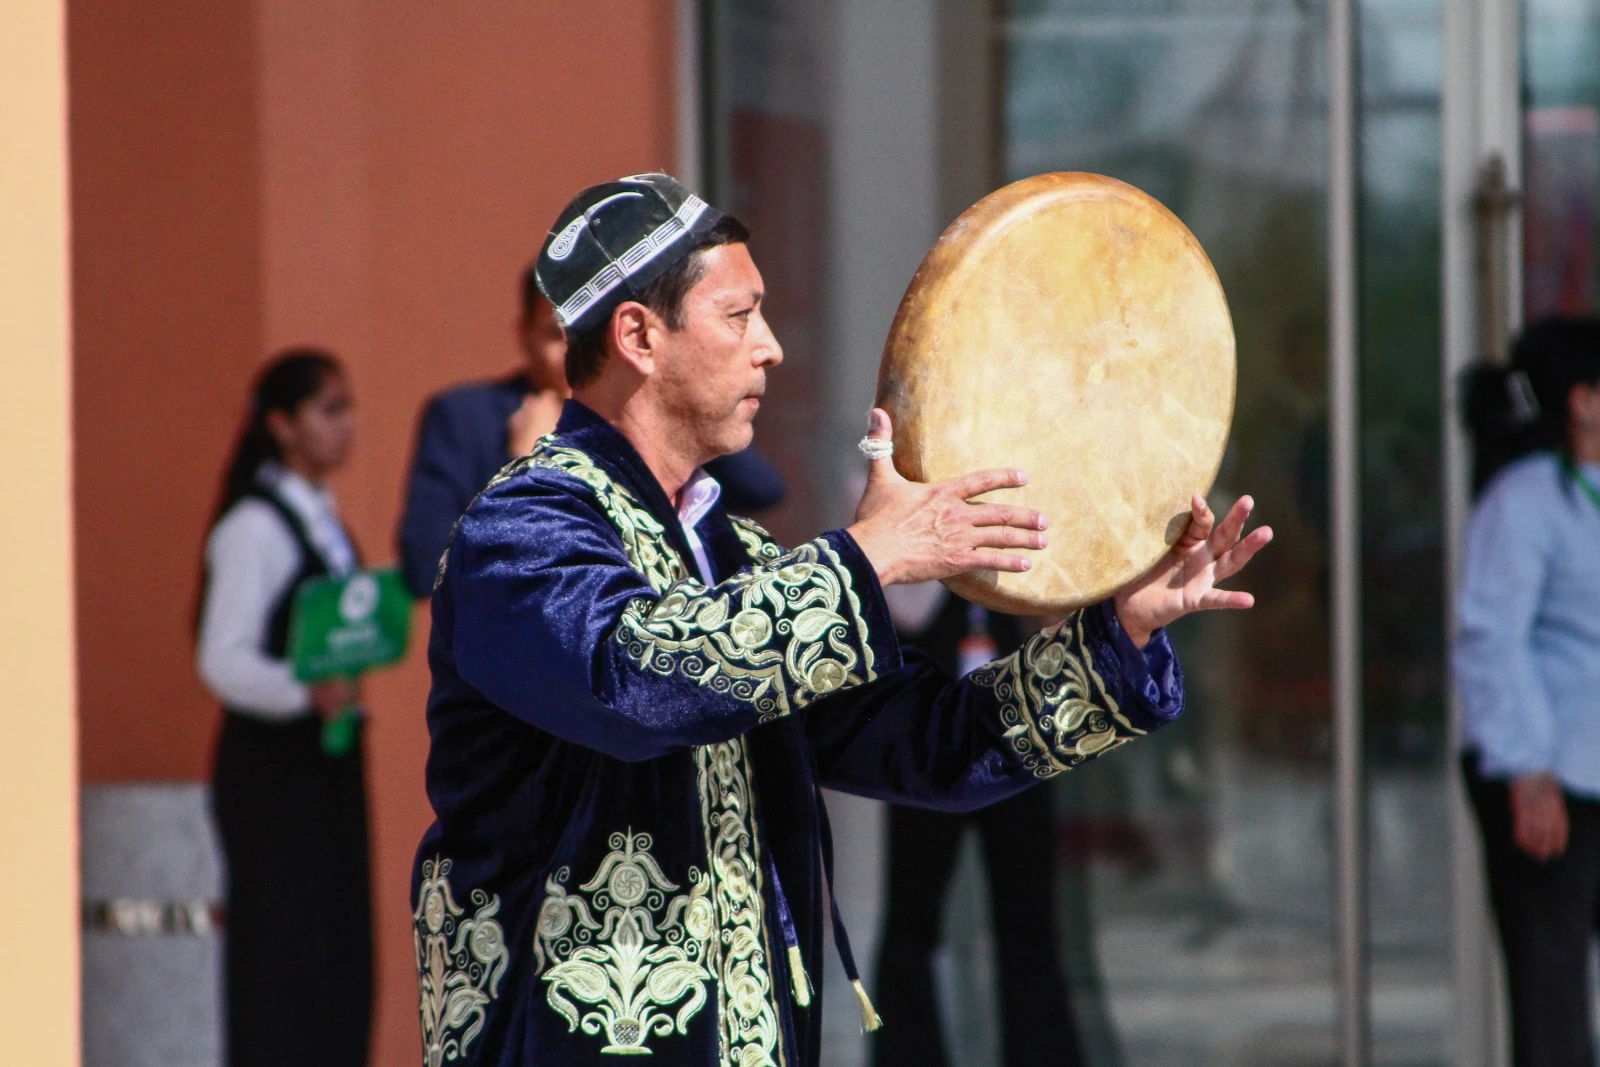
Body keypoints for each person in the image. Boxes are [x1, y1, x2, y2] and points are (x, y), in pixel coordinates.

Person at [410, 173, 1271, 1066]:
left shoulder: (737, 553)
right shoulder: (517, 534)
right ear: (638, 336)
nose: (771, 348)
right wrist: (871, 557)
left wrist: (1119, 633)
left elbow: (930, 742)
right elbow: (639, 681)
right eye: (739, 315)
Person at [397, 273, 787, 598]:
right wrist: (523, 465)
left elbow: (764, 489)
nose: (571, 352)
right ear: (524, 335)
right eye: (555, 334)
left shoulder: (639, 408)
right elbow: (424, 564)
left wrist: (691, 407)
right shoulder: (467, 416)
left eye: (582, 333)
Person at [198, 349, 372, 1067]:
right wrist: (304, 692)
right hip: (273, 781)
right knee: (283, 966)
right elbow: (222, 657)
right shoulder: (255, 528)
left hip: (324, 769)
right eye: (328, 410)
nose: (347, 425)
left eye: (347, 407)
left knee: (336, 956)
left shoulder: (322, 518)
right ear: (281, 424)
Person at [1456, 316, 1600, 1067]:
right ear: (1583, 401)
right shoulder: (1525, 500)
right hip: (1550, 781)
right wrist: (1527, 769)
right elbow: (1492, 639)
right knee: (1554, 1010)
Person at [871, 588, 1084, 1067]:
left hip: (1018, 720)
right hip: (924, 721)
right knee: (911, 915)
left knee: (1028, 916)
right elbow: (902, 602)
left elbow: (1058, 604)